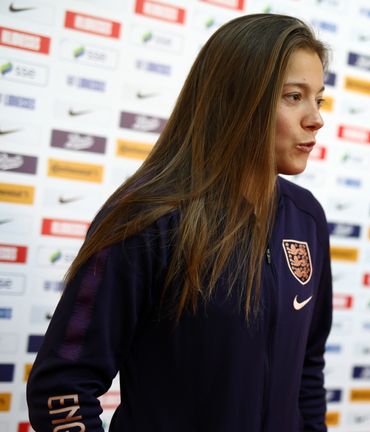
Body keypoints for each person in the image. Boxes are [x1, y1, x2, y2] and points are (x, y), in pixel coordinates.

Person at [26, 13, 332, 431]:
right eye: (294, 97)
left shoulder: (307, 219)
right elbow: (62, 386)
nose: (315, 118)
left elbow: (306, 371)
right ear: (237, 99)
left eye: (320, 99)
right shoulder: (149, 217)